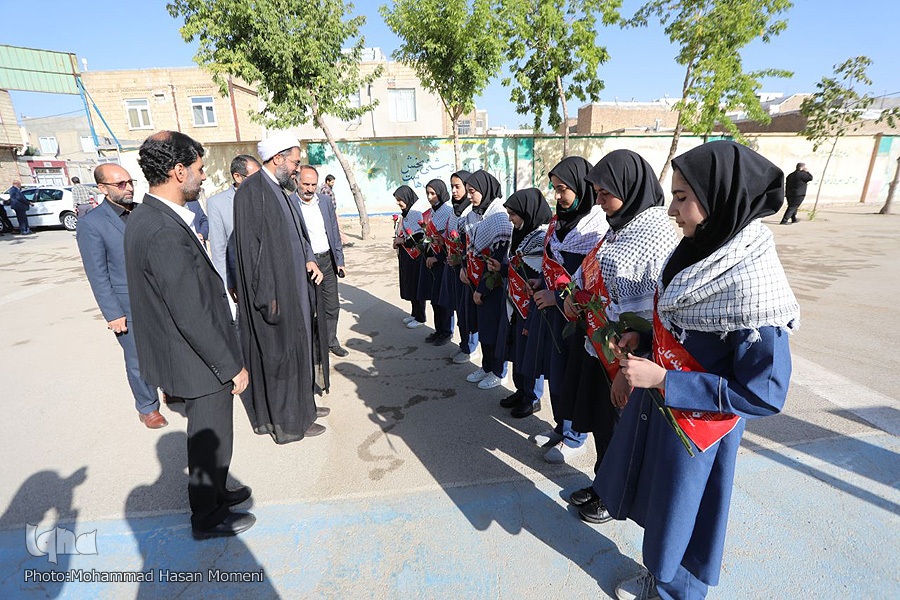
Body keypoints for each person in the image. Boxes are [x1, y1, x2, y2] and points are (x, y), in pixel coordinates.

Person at [595, 140, 799, 600]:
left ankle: (675, 592)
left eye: (683, 198)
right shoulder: (695, 252)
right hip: (666, 412)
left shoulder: (752, 287)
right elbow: (681, 326)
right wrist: (643, 341)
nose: (672, 211)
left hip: (699, 430)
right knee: (664, 507)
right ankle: (660, 578)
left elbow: (765, 393)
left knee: (688, 512)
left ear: (721, 198)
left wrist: (667, 381)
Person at [124, 131, 254, 539]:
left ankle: (216, 492)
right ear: (179, 172)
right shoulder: (161, 229)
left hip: (189, 354)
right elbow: (191, 312)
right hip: (198, 359)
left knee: (211, 436)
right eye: (199, 170)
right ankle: (208, 516)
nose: (203, 178)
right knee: (208, 439)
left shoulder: (153, 217)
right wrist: (231, 366)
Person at [560, 149, 678, 521]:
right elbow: (590, 275)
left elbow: (651, 313)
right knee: (603, 424)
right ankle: (602, 485)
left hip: (632, 358)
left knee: (624, 432)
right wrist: (572, 297)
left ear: (629, 187)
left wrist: (628, 368)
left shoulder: (654, 235)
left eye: (603, 192)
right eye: (594, 192)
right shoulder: (618, 228)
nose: (597, 201)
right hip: (601, 347)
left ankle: (615, 499)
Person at [233, 132, 329, 445]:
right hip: (275, 297)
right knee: (282, 359)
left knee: (299, 352)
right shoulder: (252, 191)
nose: (298, 170)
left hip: (293, 288)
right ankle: (290, 423)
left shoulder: (278, 190)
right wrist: (269, 298)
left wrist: (306, 261)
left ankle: (304, 409)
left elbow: (291, 239)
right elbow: (252, 251)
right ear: (278, 159)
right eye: (295, 163)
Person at [527, 156, 608, 464]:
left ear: (581, 187)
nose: (557, 196)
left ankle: (576, 438)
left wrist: (558, 299)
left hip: (578, 320)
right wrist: (539, 281)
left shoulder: (595, 227)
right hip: (551, 313)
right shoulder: (557, 222)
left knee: (573, 376)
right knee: (556, 375)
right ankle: (562, 427)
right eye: (554, 189)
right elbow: (554, 265)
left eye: (562, 189)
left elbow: (594, 283)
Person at [76, 164, 167, 429]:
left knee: (164, 347)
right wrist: (113, 313)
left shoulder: (143, 212)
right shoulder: (91, 224)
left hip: (158, 297)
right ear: (102, 188)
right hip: (126, 304)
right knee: (138, 357)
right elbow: (98, 274)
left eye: (130, 182)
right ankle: (148, 407)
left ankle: (169, 386)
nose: (128, 187)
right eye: (120, 184)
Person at [496, 188, 553, 416]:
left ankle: (532, 396)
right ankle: (521, 390)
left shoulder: (540, 236)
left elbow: (538, 271)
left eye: (513, 214)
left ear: (528, 212)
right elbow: (516, 265)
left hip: (531, 304)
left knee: (529, 349)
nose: (510, 219)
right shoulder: (520, 233)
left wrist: (512, 269)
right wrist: (500, 268)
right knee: (516, 347)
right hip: (515, 301)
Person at [461, 170, 511, 390]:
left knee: (495, 329)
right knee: (483, 327)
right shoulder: (473, 214)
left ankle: (499, 371)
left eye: (472, 192)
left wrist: (483, 289)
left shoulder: (499, 217)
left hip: (494, 285)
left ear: (486, 189)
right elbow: (467, 245)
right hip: (474, 279)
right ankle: (486, 365)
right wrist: (464, 267)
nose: (469, 196)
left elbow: (498, 258)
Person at [295, 164, 349, 357]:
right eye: (306, 184)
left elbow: (333, 231)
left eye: (313, 184)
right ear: (296, 182)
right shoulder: (290, 203)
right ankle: (313, 345)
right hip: (304, 265)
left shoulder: (325, 201)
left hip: (326, 261)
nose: (310, 189)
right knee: (308, 307)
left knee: (332, 305)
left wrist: (339, 260)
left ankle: (330, 341)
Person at [438, 170, 479, 364]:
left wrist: (461, 260)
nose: (454, 191)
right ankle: (463, 343)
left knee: (466, 310)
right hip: (454, 266)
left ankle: (470, 347)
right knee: (456, 306)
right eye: (451, 187)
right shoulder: (454, 210)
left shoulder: (470, 211)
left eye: (458, 186)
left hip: (465, 269)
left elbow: (471, 242)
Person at [206, 154, 261, 294]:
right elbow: (219, 248)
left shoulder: (266, 197)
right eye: (255, 178)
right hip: (240, 277)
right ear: (238, 177)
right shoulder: (217, 203)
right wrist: (227, 283)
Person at [418, 179, 455, 346]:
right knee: (434, 299)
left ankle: (447, 332)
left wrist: (437, 257)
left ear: (441, 193)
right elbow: (429, 237)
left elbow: (451, 241)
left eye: (433, 193)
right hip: (431, 261)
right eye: (427, 193)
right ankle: (438, 330)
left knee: (444, 299)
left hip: (443, 261)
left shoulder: (448, 212)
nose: (429, 197)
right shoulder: (431, 213)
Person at [392, 185, 430, 328]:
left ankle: (420, 317)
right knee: (410, 285)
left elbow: (420, 235)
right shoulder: (406, 213)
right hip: (406, 255)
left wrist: (403, 241)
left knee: (416, 285)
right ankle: (414, 313)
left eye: (400, 199)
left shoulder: (415, 213)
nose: (398, 202)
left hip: (415, 256)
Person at [318, 173, 352, 247]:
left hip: (332, 210)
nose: (333, 184)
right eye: (332, 182)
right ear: (327, 181)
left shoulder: (328, 189)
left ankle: (343, 241)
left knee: (336, 227)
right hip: (330, 211)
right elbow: (326, 202)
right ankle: (345, 242)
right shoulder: (326, 190)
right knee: (337, 226)